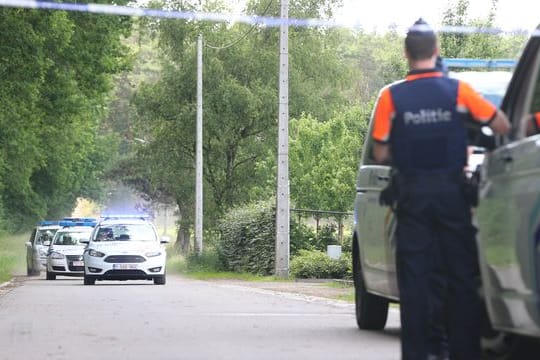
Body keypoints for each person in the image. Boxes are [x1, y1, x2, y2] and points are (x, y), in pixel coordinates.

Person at [371, 18, 511, 360]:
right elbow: (501, 124)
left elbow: (380, 151)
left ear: (406, 54)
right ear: (436, 51)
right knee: (461, 278)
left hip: (412, 199)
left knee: (415, 282)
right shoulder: (458, 91)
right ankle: (463, 352)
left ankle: (417, 354)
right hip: (452, 197)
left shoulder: (392, 97)